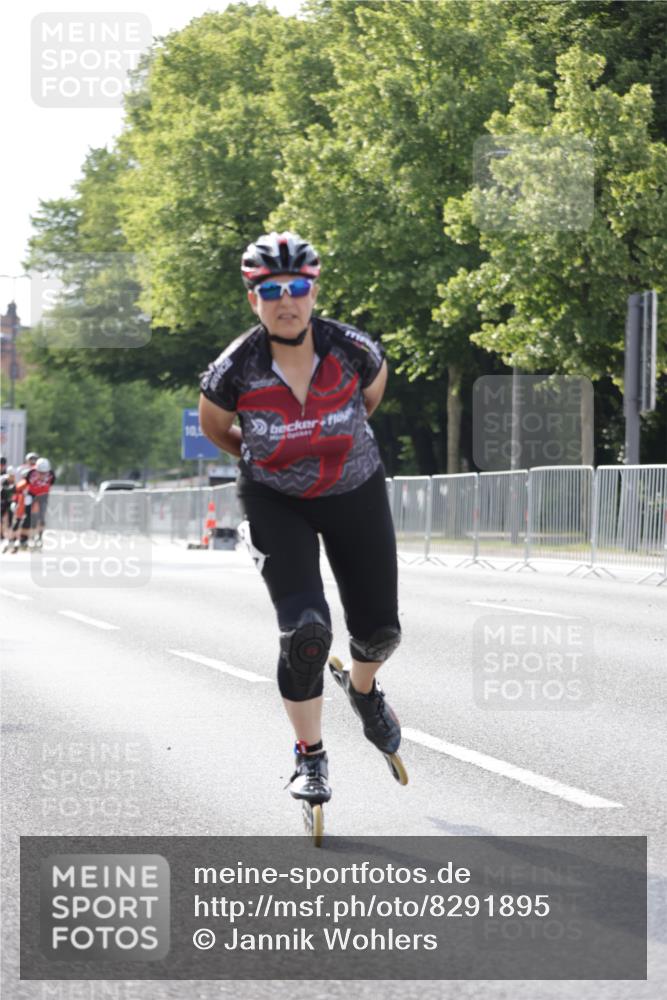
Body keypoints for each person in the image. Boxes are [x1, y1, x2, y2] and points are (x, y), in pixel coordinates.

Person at [199, 230, 403, 809]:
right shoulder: (232, 369)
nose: (285, 301)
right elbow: (217, 429)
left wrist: (326, 446)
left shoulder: (354, 350)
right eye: (271, 290)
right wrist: (270, 456)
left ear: (313, 292)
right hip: (273, 498)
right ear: (253, 298)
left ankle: (363, 691)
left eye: (297, 288)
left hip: (354, 488)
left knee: (381, 630)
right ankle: (309, 756)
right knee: (306, 634)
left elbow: (368, 400)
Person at [26, 457, 56, 547]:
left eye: (44, 472)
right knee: (31, 516)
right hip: (32, 495)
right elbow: (27, 483)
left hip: (43, 495)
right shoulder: (31, 473)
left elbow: (51, 483)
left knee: (42, 517)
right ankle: (30, 536)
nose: (43, 474)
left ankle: (39, 537)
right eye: (40, 472)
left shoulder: (51, 474)